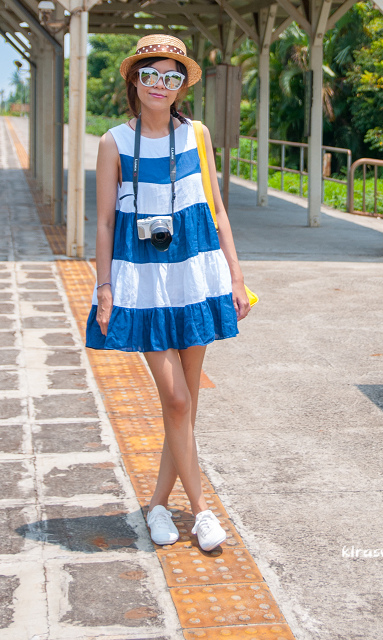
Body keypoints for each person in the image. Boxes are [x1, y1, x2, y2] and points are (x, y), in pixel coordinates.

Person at [86, 34, 250, 552]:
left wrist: (236, 276)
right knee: (176, 399)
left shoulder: (197, 135)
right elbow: (105, 222)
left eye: (172, 76)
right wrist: (104, 287)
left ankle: (158, 505)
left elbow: (217, 210)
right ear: (134, 80)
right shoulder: (113, 142)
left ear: (182, 86)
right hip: (144, 282)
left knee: (187, 406)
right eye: (151, 74)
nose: (161, 84)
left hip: (195, 275)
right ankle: (201, 511)